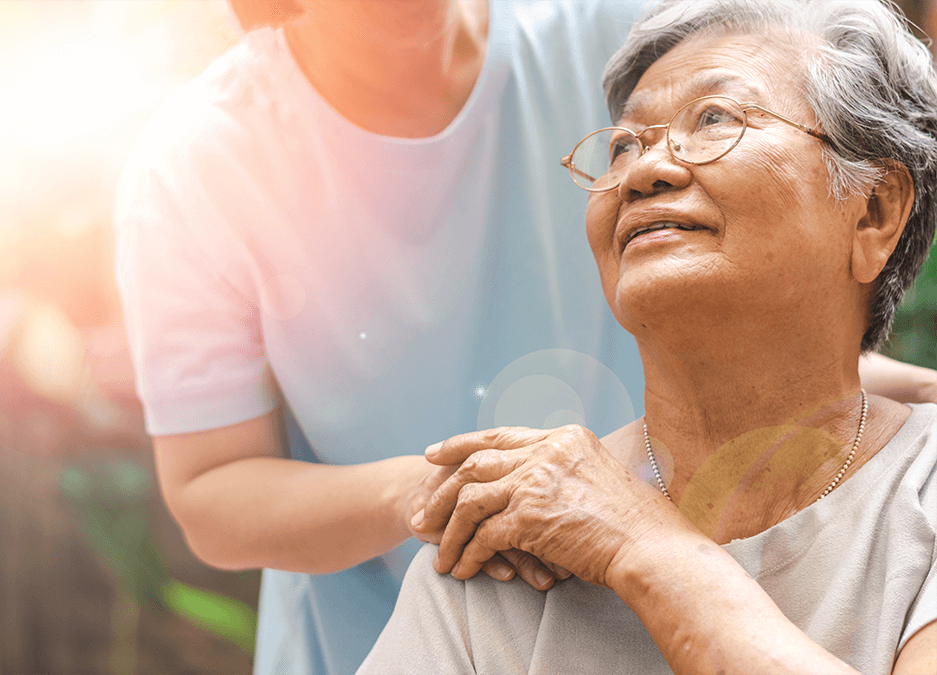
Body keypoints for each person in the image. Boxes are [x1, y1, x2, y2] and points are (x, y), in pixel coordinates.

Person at [114, 0, 937, 672]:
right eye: (622, 145)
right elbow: (211, 486)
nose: (648, 165)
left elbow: (773, 273)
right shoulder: (201, 162)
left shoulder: (613, 34)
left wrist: (841, 381)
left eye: (713, 118)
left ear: (876, 212)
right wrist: (458, 489)